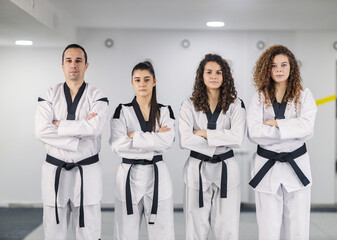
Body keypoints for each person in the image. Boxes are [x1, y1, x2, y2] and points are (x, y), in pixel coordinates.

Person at [35, 44, 109, 239]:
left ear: (86, 65)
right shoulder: (49, 94)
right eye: (69, 60)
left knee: (89, 231)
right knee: (53, 231)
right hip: (55, 171)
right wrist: (79, 131)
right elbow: (42, 130)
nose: (73, 65)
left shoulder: (97, 95)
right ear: (62, 65)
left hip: (87, 172)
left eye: (78, 60)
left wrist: (59, 125)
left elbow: (94, 129)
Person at [247, 44, 317, 240]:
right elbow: (254, 133)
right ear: (266, 69)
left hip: (297, 167)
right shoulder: (259, 96)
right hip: (267, 168)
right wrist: (289, 129)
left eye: (283, 65)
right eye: (273, 65)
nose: (279, 70)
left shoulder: (305, 95)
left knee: (299, 229)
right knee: (268, 228)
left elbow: (307, 129)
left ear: (291, 68)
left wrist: (275, 123)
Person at [179, 54, 246, 240]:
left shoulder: (235, 104)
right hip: (197, 169)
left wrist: (205, 133)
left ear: (225, 76)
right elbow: (185, 140)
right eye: (209, 72)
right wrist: (222, 139)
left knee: (227, 226)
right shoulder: (189, 105)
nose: (214, 76)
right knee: (195, 226)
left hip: (226, 169)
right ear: (201, 75)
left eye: (218, 72)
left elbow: (237, 138)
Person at [109, 61, 175, 240]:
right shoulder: (122, 111)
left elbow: (167, 142)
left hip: (157, 175)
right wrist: (154, 139)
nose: (142, 84)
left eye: (147, 79)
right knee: (125, 233)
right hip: (128, 177)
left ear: (154, 81)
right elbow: (117, 145)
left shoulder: (165, 111)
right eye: (137, 80)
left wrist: (133, 136)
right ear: (132, 83)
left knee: (163, 232)